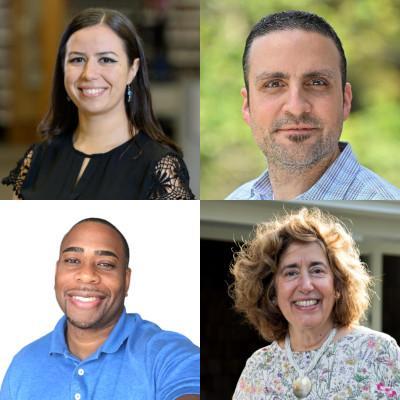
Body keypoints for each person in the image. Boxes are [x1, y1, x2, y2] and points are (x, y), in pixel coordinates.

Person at [2, 8, 194, 199]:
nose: (89, 74)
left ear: (132, 70)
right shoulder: (37, 159)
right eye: (77, 59)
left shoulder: (160, 167)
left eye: (106, 59)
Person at [0, 218, 200, 399]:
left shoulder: (168, 355)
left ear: (126, 280)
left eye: (105, 264)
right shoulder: (23, 365)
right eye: (72, 261)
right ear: (56, 272)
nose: (86, 275)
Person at [226, 10, 400, 200]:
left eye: (317, 83)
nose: (296, 108)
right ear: (247, 106)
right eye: (274, 84)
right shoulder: (237, 199)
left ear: (346, 101)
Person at [230, 208, 400, 399]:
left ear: (338, 284)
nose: (306, 285)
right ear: (272, 292)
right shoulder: (258, 368)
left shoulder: (377, 352)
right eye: (291, 272)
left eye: (317, 270)